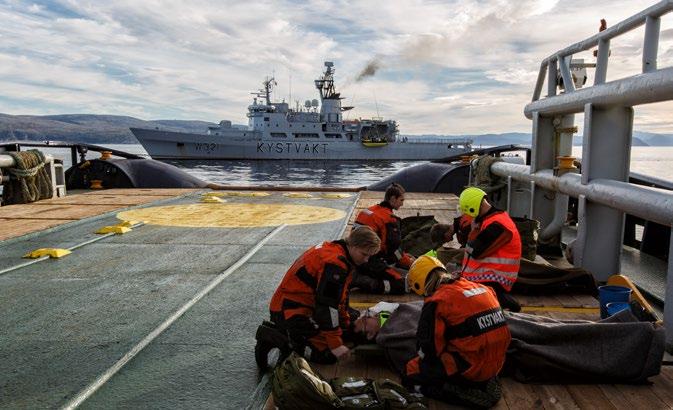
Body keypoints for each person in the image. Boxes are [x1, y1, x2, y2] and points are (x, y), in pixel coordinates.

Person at [254, 226, 381, 368]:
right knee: (326, 355)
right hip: (291, 312)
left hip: (300, 305)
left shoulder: (336, 250)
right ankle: (277, 337)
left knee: (347, 329)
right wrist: (335, 345)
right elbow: (327, 306)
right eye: (364, 254)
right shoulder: (335, 264)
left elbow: (337, 297)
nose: (366, 260)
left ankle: (293, 333)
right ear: (353, 245)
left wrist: (346, 320)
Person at [403, 255, 510, 408]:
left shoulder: (437, 301)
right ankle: (483, 381)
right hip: (498, 362)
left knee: (411, 371)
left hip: (471, 367)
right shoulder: (482, 288)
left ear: (420, 285)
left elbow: (429, 351)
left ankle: (452, 390)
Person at [444, 187, 522, 312]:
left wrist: (473, 231)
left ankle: (505, 303)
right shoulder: (488, 218)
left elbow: (475, 251)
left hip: (494, 278)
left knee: (459, 298)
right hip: (484, 275)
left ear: (473, 207)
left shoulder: (498, 226)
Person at [350, 183, 415, 294]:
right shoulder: (389, 219)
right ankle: (366, 282)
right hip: (368, 260)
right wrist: (411, 264)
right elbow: (393, 251)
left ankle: (361, 277)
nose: (402, 204)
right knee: (403, 284)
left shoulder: (367, 211)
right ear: (393, 199)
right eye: (401, 200)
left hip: (354, 256)